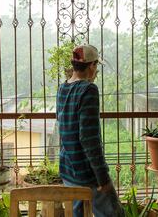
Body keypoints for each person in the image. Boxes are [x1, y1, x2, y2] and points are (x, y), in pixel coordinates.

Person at [57, 44, 123, 217]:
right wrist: (103, 178)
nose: (96, 73)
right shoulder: (88, 90)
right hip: (86, 174)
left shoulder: (62, 88)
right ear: (92, 66)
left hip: (68, 170)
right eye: (96, 67)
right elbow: (89, 138)